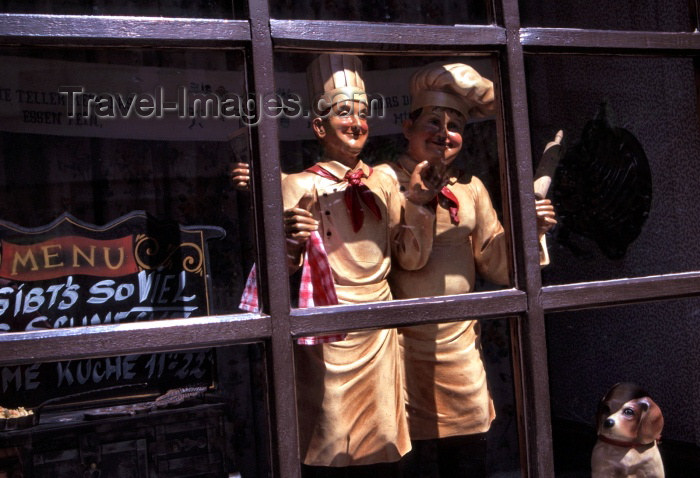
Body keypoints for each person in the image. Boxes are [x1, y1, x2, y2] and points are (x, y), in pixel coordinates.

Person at [374, 62, 556, 476]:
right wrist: (419, 203)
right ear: (407, 127)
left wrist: (529, 231)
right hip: (404, 349)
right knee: (414, 461)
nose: (444, 132)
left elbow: (495, 262)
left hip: (461, 348)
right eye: (433, 121)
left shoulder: (470, 187)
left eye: (455, 125)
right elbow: (404, 259)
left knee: (468, 457)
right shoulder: (384, 181)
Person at [280, 54, 443, 475]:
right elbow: (277, 273)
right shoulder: (294, 184)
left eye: (364, 113)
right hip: (330, 331)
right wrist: (290, 238)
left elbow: (409, 256)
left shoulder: (385, 179)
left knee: (383, 445)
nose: (357, 123)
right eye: (344, 112)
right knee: (332, 444)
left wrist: (421, 207)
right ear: (318, 127)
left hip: (380, 325)